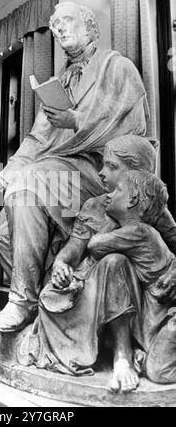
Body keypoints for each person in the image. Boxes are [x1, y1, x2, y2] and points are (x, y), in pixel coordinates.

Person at [0, 2, 149, 333]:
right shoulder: (59, 82)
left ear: (89, 27)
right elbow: (36, 140)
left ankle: (22, 302)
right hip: (61, 179)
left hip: (100, 175)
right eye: (54, 25)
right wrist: (0, 179)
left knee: (34, 180)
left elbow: (132, 131)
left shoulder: (117, 67)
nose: (58, 29)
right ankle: (55, 303)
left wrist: (76, 121)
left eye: (66, 21)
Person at [16, 135, 176, 393]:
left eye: (112, 167)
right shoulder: (94, 206)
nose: (101, 173)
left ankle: (122, 356)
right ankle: (120, 348)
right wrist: (60, 265)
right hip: (89, 291)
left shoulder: (153, 209)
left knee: (115, 262)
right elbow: (73, 250)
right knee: (65, 288)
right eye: (103, 164)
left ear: (136, 176)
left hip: (137, 293)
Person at [88, 170, 176, 387]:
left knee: (159, 373)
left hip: (165, 308)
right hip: (152, 304)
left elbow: (94, 245)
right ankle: (137, 352)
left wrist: (109, 219)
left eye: (118, 190)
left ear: (133, 199)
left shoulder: (138, 231)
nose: (108, 195)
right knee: (155, 367)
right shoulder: (139, 231)